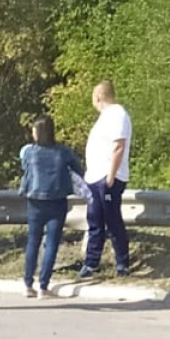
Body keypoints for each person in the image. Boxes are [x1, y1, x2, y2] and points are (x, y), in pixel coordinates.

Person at [19, 115, 83, 298]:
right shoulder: (63, 152)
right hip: (57, 200)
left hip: (35, 201)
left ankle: (28, 284)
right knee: (52, 243)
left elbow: (24, 167)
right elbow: (78, 168)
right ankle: (43, 286)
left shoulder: (30, 152)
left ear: (38, 132)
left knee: (33, 241)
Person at [81, 80, 132, 278]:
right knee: (95, 221)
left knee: (112, 221)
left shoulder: (117, 114)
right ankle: (91, 263)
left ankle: (122, 263)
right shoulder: (104, 118)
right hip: (95, 177)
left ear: (99, 97)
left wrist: (111, 176)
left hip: (108, 177)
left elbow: (119, 145)